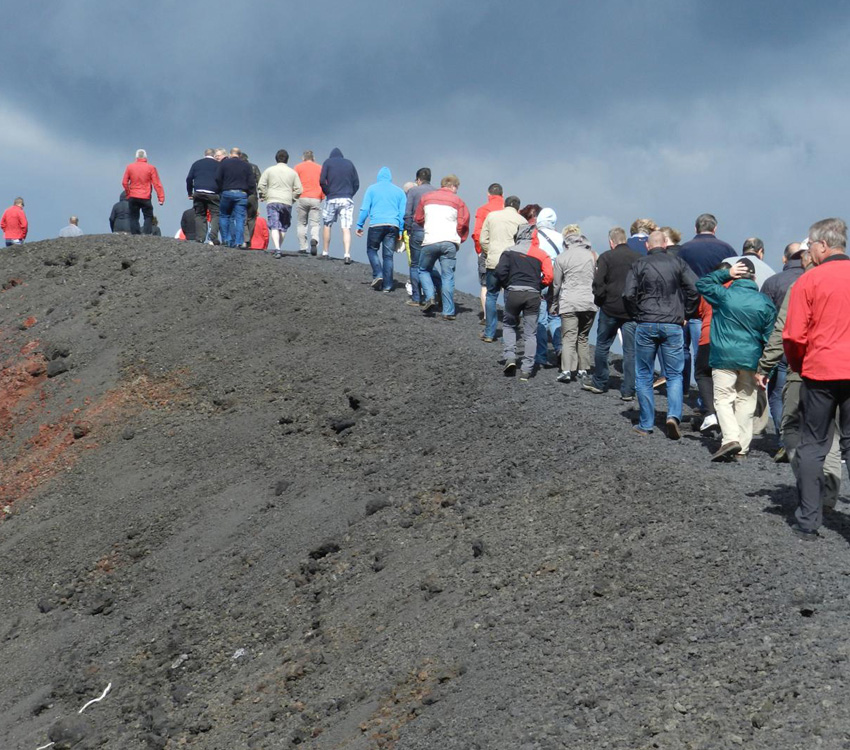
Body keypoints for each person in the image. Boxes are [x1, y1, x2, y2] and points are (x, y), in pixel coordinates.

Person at [783, 217, 850, 541]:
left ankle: (809, 522)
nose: (809, 250)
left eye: (810, 246)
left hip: (820, 370)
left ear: (823, 245)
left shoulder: (809, 281)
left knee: (813, 445)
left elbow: (794, 335)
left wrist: (799, 365)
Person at [757, 247, 842, 503]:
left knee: (793, 427)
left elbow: (785, 331)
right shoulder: (842, 282)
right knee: (833, 433)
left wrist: (765, 365)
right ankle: (828, 493)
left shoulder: (803, 285)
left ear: (809, 260)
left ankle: (810, 488)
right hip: (841, 369)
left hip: (803, 367)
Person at [696, 258, 777, 461]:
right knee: (746, 400)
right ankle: (742, 446)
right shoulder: (765, 302)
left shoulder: (724, 295)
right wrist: (767, 370)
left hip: (723, 356)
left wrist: (725, 274)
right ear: (754, 278)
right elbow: (771, 339)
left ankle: (730, 438)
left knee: (723, 398)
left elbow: (702, 284)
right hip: (751, 359)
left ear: (736, 275)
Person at [623, 230, 699, 439]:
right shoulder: (678, 263)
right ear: (665, 244)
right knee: (674, 374)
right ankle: (673, 416)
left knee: (644, 374)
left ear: (648, 246)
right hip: (672, 323)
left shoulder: (639, 265)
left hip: (646, 322)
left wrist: (637, 314)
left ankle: (646, 423)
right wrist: (687, 314)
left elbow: (628, 294)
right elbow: (695, 289)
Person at [678, 213, 737, 390]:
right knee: (704, 354)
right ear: (715, 228)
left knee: (683, 350)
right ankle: (704, 399)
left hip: (688, 306)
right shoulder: (727, 249)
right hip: (715, 308)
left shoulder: (685, 249)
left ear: (696, 228)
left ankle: (683, 388)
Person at [582, 226, 641, 398]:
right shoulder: (638, 258)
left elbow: (598, 283)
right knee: (630, 351)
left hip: (609, 309)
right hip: (631, 311)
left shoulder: (606, 257)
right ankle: (629, 389)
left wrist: (600, 301)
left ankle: (600, 382)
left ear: (611, 242)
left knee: (602, 345)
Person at [759, 241, 805, 457]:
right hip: (810, 347)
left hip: (781, 346)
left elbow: (764, 317)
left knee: (778, 394)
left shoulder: (773, 282)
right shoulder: (815, 280)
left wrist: (764, 359)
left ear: (785, 259)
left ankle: (785, 438)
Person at [495, 223, 554, 380]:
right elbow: (549, 276)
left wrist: (507, 285)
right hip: (533, 295)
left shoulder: (509, 251)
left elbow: (500, 272)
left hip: (514, 292)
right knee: (530, 333)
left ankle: (510, 357)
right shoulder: (542, 254)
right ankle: (527, 369)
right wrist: (539, 286)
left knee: (509, 325)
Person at [413, 174, 470, 320]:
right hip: (449, 242)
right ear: (453, 186)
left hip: (430, 240)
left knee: (423, 269)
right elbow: (463, 222)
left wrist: (427, 225)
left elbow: (418, 218)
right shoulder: (458, 201)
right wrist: (459, 238)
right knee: (447, 276)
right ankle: (448, 311)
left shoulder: (426, 197)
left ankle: (430, 296)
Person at [552, 231, 597, 384]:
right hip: (588, 302)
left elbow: (557, 284)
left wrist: (554, 303)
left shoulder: (561, 258)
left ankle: (566, 370)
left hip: (569, 302)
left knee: (568, 337)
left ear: (566, 244)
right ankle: (583, 369)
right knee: (583, 337)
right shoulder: (591, 256)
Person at [480, 195, 525, 342]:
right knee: (509, 299)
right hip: (512, 263)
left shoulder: (492, 216)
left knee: (491, 295)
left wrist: (490, 251)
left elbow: (482, 240)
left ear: (505, 204)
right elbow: (524, 245)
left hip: (493, 261)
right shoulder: (522, 221)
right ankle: (509, 333)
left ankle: (489, 333)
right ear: (518, 208)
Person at [356, 167, 406, 292]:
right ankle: (388, 286)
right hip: (393, 225)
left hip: (376, 224)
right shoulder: (399, 192)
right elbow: (402, 213)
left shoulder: (372, 189)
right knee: (388, 256)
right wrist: (400, 230)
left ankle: (378, 274)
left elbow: (365, 209)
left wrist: (359, 225)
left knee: (372, 250)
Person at [403, 168, 441, 307]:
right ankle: (438, 292)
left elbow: (408, 213)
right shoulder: (437, 192)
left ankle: (416, 297)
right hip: (433, 232)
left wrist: (408, 229)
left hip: (417, 230)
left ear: (418, 180)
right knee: (430, 265)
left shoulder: (413, 191)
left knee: (415, 264)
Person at [257, 149, 303, 258]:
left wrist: (264, 195)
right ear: (287, 159)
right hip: (286, 201)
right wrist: (292, 199)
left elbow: (261, 185)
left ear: (276, 158)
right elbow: (299, 189)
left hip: (272, 200)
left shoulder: (269, 170)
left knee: (274, 225)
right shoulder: (293, 172)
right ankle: (279, 248)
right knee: (283, 226)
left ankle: (277, 248)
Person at [534, 208, 563, 368]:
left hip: (540, 279)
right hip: (557, 280)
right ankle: (559, 347)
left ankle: (541, 355)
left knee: (541, 318)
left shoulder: (535, 236)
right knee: (555, 316)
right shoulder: (561, 237)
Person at [320, 147, 359, 263]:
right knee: (346, 227)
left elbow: (322, 181)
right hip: (346, 198)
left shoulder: (327, 163)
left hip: (332, 198)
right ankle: (347, 254)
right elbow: (356, 183)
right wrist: (350, 194)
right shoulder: (349, 164)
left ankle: (325, 252)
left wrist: (328, 192)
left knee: (327, 224)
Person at [472, 184, 505, 323]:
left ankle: (487, 316)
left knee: (486, 285)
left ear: (488, 194)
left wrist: (480, 250)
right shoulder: (511, 210)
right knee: (507, 286)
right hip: (507, 252)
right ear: (502, 195)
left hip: (488, 251)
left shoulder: (483, 210)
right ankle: (511, 317)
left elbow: (477, 233)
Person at [215, 147, 256, 248]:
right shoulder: (246, 165)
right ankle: (238, 242)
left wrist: (221, 189)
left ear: (230, 154)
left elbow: (217, 178)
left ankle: (226, 239)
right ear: (240, 155)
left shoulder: (224, 163)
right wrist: (250, 192)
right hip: (241, 194)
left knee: (224, 216)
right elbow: (251, 182)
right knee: (240, 218)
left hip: (227, 192)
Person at [122, 149, 165, 235]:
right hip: (146, 197)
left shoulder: (130, 167)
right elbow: (157, 184)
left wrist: (128, 193)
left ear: (136, 157)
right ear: (146, 157)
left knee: (134, 216)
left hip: (133, 196)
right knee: (148, 216)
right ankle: (146, 234)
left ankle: (135, 234)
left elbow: (124, 182)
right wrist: (161, 198)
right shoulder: (151, 168)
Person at [185, 147, 222, 244]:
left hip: (198, 192)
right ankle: (213, 237)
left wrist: (190, 192)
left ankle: (200, 238)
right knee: (215, 214)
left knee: (200, 215)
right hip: (213, 193)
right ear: (214, 155)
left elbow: (189, 178)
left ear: (204, 155)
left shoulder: (196, 163)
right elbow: (221, 179)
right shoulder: (218, 165)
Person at [294, 151, 324, 255]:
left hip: (302, 197)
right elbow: (324, 182)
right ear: (313, 158)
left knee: (301, 223)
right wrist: (322, 196)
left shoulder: (298, 167)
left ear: (303, 158)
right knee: (315, 223)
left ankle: (303, 246)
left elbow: (294, 182)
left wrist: (294, 195)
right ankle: (314, 239)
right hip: (316, 197)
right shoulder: (320, 168)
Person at [241, 152, 262, 245]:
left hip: (241, 194)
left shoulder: (238, 167)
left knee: (242, 217)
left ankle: (246, 238)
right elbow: (260, 182)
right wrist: (261, 195)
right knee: (252, 218)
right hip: (253, 195)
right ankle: (249, 237)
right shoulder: (254, 167)